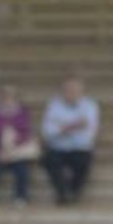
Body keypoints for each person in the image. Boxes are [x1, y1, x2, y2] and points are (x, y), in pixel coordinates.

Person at [40, 75, 99, 206]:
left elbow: (89, 134)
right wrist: (73, 127)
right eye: (68, 90)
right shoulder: (54, 105)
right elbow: (48, 131)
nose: (71, 93)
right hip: (57, 147)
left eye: (75, 90)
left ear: (82, 92)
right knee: (49, 161)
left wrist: (63, 128)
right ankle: (62, 193)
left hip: (80, 148)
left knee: (83, 163)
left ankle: (73, 192)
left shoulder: (90, 106)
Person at [0, 83, 37, 206]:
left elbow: (26, 134)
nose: (8, 99)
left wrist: (15, 143)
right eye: (5, 96)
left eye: (11, 96)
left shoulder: (23, 113)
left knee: (22, 169)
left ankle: (21, 197)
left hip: (17, 152)